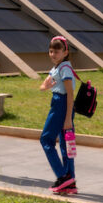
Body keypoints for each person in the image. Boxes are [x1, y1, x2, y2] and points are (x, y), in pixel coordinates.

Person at [39, 36, 76, 194]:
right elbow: (43, 85)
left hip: (62, 105)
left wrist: (68, 118)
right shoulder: (56, 68)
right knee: (65, 145)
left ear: (65, 52)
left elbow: (70, 95)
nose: (53, 54)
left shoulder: (65, 69)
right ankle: (70, 183)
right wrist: (44, 87)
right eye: (51, 51)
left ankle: (63, 176)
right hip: (57, 103)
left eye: (57, 51)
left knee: (46, 139)